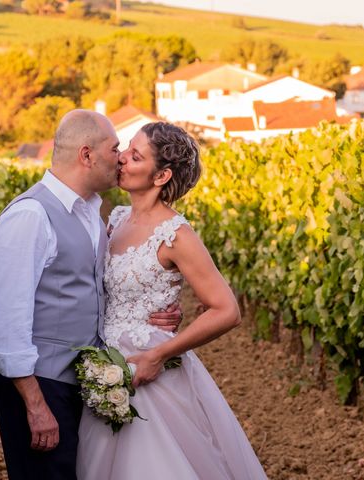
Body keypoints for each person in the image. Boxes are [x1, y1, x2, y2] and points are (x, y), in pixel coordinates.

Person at [0, 110, 181, 480]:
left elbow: (102, 288)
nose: (120, 157)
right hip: (40, 385)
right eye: (115, 148)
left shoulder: (93, 214)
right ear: (87, 155)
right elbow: (7, 322)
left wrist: (156, 311)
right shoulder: (31, 216)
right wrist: (35, 403)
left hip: (80, 384)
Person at [77, 122, 268, 479]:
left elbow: (227, 310)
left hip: (149, 368)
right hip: (106, 365)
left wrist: (159, 354)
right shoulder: (116, 219)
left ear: (161, 175)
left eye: (135, 156)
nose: (121, 160)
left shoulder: (175, 234)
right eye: (125, 150)